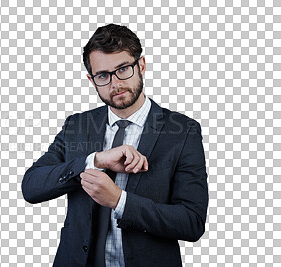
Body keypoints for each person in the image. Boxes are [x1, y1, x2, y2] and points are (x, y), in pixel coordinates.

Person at [22, 23, 208, 267]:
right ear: (92, 79)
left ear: (141, 65)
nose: (115, 84)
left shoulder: (183, 131)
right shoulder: (77, 125)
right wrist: (94, 161)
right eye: (103, 75)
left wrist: (120, 200)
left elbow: (191, 222)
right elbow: (32, 187)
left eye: (123, 69)